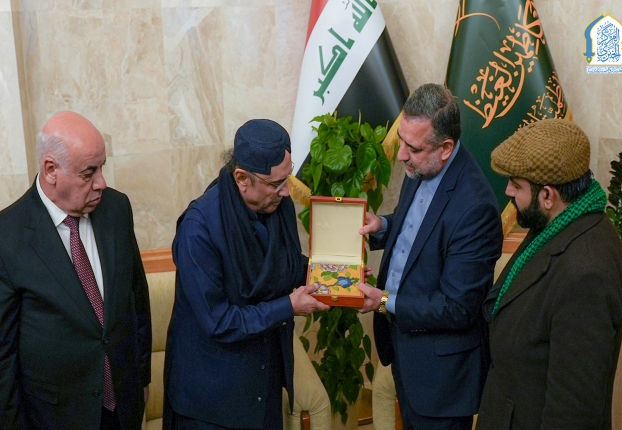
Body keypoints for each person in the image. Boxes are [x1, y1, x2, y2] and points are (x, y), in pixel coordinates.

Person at [163, 119, 329, 430]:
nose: (285, 191)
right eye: (275, 183)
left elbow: (286, 265)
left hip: (264, 383)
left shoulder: (276, 204)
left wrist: (331, 274)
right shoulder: (199, 229)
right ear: (241, 178)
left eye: (287, 179)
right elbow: (219, 322)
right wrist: (288, 306)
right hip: (211, 401)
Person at [357, 83, 503, 429]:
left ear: (446, 148)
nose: (401, 155)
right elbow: (418, 230)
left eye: (412, 147)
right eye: (401, 141)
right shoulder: (422, 164)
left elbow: (456, 307)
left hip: (441, 378)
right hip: (404, 350)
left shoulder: (476, 207)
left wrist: (383, 301)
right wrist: (382, 225)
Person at [0, 111, 151, 430]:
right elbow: (3, 356)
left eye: (102, 167)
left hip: (123, 407)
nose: (101, 183)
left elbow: (137, 301)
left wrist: (142, 378)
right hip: (55, 418)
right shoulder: (7, 237)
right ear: (51, 170)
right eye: (88, 173)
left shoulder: (116, 209)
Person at [476, 119, 622, 430]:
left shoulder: (587, 273)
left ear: (548, 195)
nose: (507, 191)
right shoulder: (558, 224)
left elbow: (573, 411)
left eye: (516, 185)